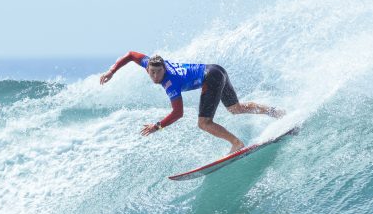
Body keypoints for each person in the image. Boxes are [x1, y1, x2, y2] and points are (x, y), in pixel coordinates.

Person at [99, 51, 285, 153]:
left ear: (164, 69)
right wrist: (112, 71)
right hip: (216, 70)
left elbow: (178, 113)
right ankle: (275, 112)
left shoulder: (171, 83)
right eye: (152, 72)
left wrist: (158, 126)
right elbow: (131, 55)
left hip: (210, 77)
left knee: (204, 123)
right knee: (235, 108)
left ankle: (236, 143)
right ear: (148, 68)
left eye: (159, 72)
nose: (155, 76)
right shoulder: (149, 63)